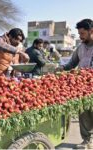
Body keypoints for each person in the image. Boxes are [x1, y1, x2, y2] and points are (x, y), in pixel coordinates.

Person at [57, 19, 93, 149]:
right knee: (84, 114)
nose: (80, 36)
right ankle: (87, 140)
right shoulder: (80, 48)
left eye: (83, 33)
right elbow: (72, 63)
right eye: (79, 34)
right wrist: (62, 68)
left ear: (91, 31)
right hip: (82, 87)